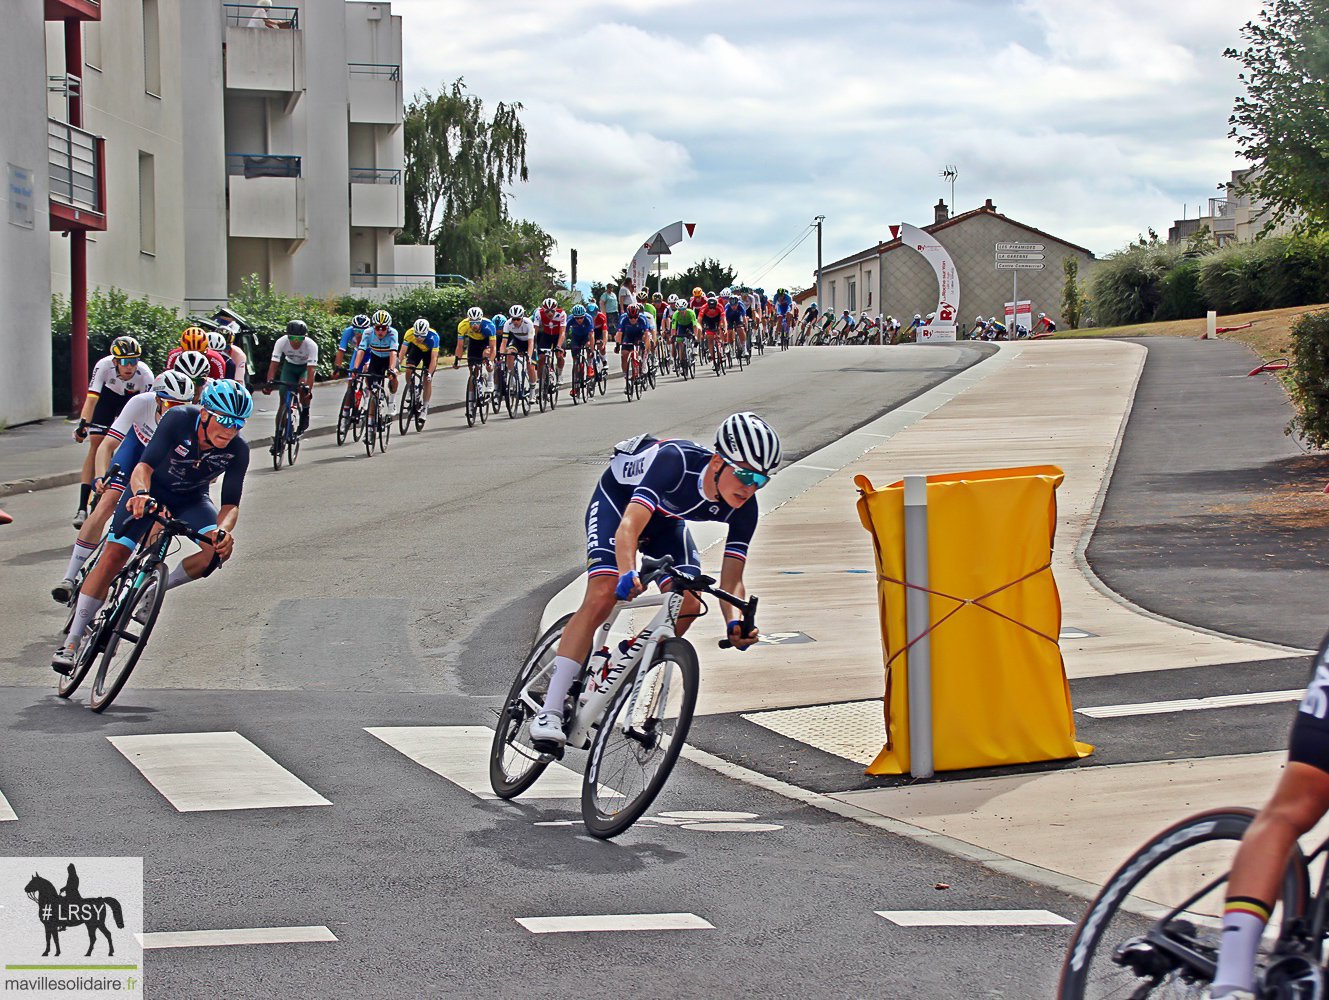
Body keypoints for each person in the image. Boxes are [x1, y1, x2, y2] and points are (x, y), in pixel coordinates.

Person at [527, 412, 781, 746]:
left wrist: (734, 622)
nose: (750, 488)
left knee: (689, 602)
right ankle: (551, 707)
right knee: (604, 594)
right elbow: (629, 527)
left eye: (760, 481)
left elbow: (732, 578)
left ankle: (619, 673)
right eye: (745, 474)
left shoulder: (745, 509)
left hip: (666, 522)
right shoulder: (675, 461)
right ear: (718, 462)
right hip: (619, 503)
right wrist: (627, 571)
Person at [52, 380, 253, 674]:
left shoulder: (238, 449)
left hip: (191, 499)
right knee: (114, 556)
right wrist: (141, 495)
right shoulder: (180, 419)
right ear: (206, 412)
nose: (230, 430)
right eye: (224, 421)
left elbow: (231, 503)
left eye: (238, 424)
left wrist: (221, 530)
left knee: (217, 552)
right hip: (150, 491)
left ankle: (154, 589)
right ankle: (71, 642)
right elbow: (143, 468)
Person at [51, 370, 195, 604]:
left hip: (160, 465)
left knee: (158, 522)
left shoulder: (188, 418)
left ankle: (134, 581)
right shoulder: (140, 403)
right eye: (169, 403)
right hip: (135, 450)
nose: (174, 409)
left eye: (181, 404)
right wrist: (100, 478)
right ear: (157, 399)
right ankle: (69, 577)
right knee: (107, 502)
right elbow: (107, 446)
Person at [71, 337, 154, 529]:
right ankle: (82, 507)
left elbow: (147, 410)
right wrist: (82, 425)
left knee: (125, 445)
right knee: (96, 446)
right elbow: (91, 400)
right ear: (115, 361)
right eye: (125, 361)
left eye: (134, 361)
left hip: (131, 402)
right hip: (107, 399)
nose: (130, 366)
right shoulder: (103, 366)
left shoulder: (145, 375)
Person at [264, 319, 318, 435]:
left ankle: (305, 410)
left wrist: (308, 389)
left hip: (304, 368)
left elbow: (311, 370)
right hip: (289, 367)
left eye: (300, 339)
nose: (296, 342)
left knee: (302, 388)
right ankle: (278, 434)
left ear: (305, 337)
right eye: (293, 338)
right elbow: (273, 365)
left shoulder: (311, 345)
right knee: (283, 399)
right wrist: (269, 383)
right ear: (288, 336)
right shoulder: (281, 342)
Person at [351, 309, 400, 418]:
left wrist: (391, 369)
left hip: (389, 358)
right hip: (376, 358)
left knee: (394, 375)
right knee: (370, 379)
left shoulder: (393, 333)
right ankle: (371, 423)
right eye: (378, 328)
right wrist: (355, 368)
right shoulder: (368, 332)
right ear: (373, 326)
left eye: (384, 328)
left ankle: (391, 402)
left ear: (388, 327)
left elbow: (393, 352)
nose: (381, 331)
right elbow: (361, 351)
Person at [453, 306, 497, 396]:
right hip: (473, 342)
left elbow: (493, 347)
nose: (474, 325)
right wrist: (457, 360)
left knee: (486, 355)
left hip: (485, 341)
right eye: (472, 322)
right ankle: (471, 399)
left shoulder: (489, 325)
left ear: (481, 320)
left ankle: (490, 380)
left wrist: (491, 361)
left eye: (477, 322)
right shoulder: (463, 325)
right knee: (472, 371)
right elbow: (460, 345)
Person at [400, 317, 441, 413]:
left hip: (429, 353)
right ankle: (411, 388)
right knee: (409, 369)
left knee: (427, 379)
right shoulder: (409, 333)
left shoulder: (434, 336)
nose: (419, 338)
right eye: (417, 335)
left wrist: (430, 374)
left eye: (422, 336)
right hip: (417, 349)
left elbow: (434, 358)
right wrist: (398, 364)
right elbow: (402, 351)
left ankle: (425, 407)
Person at [532, 297, 568, 381]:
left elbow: (562, 332)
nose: (550, 314)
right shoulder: (538, 313)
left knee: (560, 356)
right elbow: (535, 331)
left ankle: (559, 374)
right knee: (541, 357)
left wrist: (558, 346)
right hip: (546, 336)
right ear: (543, 310)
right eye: (547, 311)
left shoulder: (562, 314)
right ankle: (540, 379)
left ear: (556, 309)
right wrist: (533, 343)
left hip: (558, 336)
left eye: (552, 311)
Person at [564, 305, 595, 399]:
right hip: (576, 337)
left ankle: (590, 365)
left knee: (588, 346)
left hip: (586, 336)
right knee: (575, 361)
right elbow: (564, 334)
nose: (579, 320)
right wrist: (563, 348)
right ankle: (575, 385)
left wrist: (592, 350)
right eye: (577, 318)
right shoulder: (570, 319)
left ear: (584, 316)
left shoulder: (588, 318)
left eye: (581, 317)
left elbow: (592, 335)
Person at [616, 303, 652, 379]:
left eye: (635, 317)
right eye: (631, 317)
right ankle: (625, 375)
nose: (633, 319)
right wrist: (617, 345)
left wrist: (645, 346)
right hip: (628, 335)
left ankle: (644, 359)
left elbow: (646, 334)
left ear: (638, 315)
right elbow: (619, 333)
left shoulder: (643, 318)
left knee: (646, 338)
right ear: (627, 315)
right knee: (624, 354)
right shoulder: (623, 318)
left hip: (640, 335)